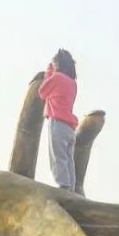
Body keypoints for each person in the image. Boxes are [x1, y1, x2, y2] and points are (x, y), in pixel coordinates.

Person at [38, 49, 79, 191]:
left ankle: (63, 185)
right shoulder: (73, 83)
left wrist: (49, 72)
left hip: (58, 122)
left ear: (58, 64)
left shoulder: (57, 78)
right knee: (69, 160)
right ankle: (71, 188)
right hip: (70, 127)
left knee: (57, 156)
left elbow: (42, 92)